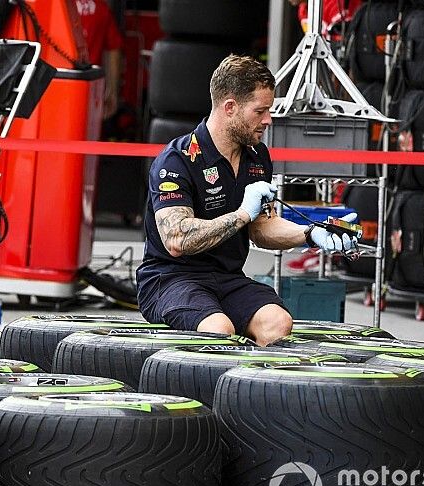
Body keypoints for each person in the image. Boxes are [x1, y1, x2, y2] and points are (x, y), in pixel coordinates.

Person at [136, 54, 358, 346]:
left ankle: (254, 391)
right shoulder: (177, 159)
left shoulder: (257, 156)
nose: (268, 120)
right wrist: (241, 214)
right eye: (260, 111)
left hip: (226, 277)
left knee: (278, 322)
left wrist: (312, 234)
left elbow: (262, 228)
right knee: (218, 329)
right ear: (230, 107)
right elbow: (176, 239)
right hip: (171, 278)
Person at [75, 0, 123, 119]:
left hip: (53, 86)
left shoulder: (49, 5)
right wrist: (112, 91)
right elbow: (114, 49)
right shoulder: (100, 7)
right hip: (90, 92)